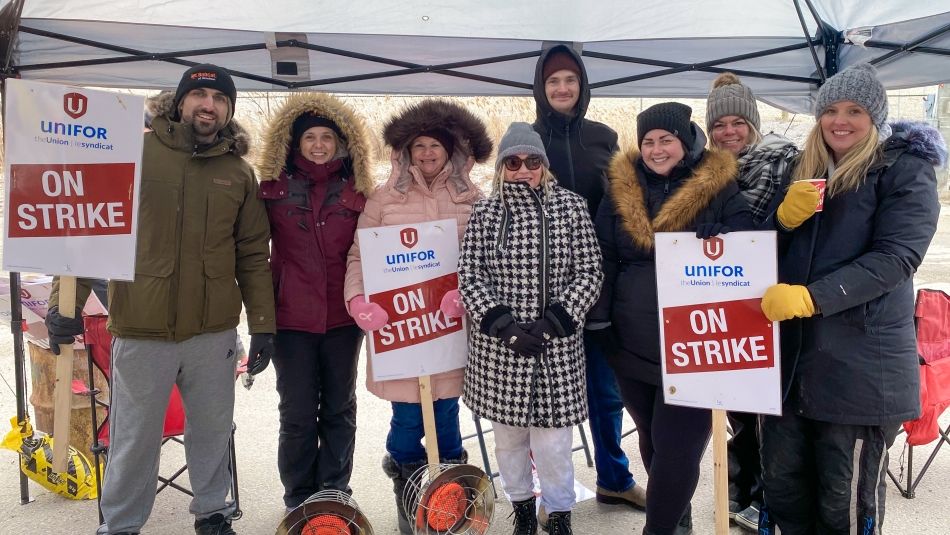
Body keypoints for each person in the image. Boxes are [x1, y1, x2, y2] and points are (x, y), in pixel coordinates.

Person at [46, 64, 276, 535]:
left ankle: (213, 515)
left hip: (212, 333)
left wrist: (263, 325)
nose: (208, 105)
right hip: (141, 328)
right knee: (134, 437)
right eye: (200, 96)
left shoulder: (237, 172)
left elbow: (253, 254)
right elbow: (90, 229)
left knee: (212, 432)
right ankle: (120, 525)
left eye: (219, 99)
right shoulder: (133, 153)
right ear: (180, 102)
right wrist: (63, 305)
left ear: (229, 111)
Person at [759, 63, 943, 535]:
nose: (840, 120)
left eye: (855, 110)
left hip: (860, 372)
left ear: (875, 117)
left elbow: (897, 257)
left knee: (841, 504)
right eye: (831, 110)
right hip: (792, 366)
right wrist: (780, 221)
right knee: (784, 492)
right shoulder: (807, 168)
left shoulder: (904, 168)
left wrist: (811, 298)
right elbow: (766, 252)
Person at [590, 102, 752, 535]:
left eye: (667, 139)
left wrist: (726, 239)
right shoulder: (620, 190)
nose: (657, 149)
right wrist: (601, 322)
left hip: (694, 343)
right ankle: (678, 521)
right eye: (648, 141)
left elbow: (752, 249)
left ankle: (658, 529)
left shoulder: (718, 187)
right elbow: (603, 257)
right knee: (652, 439)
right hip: (632, 339)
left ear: (686, 141)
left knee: (679, 449)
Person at [342, 99, 492, 534]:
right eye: (419, 145)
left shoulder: (472, 198)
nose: (427, 153)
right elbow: (358, 256)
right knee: (407, 417)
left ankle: (447, 494)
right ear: (405, 152)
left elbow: (485, 261)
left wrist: (467, 294)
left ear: (452, 151)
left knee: (446, 413)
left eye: (436, 146)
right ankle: (408, 486)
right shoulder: (384, 199)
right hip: (400, 329)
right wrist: (358, 302)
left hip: (448, 330)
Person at [459, 122, 603, 535]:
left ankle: (559, 514)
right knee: (509, 440)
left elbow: (590, 272)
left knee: (554, 442)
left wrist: (555, 320)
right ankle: (521, 508)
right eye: (514, 162)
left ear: (545, 165)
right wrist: (502, 326)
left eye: (532, 161)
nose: (523, 170)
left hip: (555, 348)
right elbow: (469, 276)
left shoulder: (572, 207)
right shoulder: (485, 213)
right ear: (502, 166)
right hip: (500, 350)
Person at [531, 42, 646, 516]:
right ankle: (545, 488)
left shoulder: (604, 137)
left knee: (605, 390)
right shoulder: (528, 138)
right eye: (553, 80)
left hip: (598, 286)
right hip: (543, 291)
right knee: (543, 393)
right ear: (541, 87)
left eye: (570, 80)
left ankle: (614, 478)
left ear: (582, 86)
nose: (562, 87)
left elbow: (625, 204)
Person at [252, 93, 373, 510]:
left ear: (342, 143)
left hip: (342, 319)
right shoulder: (272, 189)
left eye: (327, 137)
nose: (319, 144)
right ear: (294, 142)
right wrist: (261, 322)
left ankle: (335, 488)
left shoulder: (358, 190)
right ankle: (299, 495)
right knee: (299, 413)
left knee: (339, 407)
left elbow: (371, 249)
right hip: (291, 321)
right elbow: (253, 254)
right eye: (310, 138)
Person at [704, 71, 800, 531]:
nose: (728, 132)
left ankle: (768, 496)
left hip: (774, 299)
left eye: (737, 122)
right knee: (737, 406)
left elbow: (779, 231)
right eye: (719, 125)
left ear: (753, 124)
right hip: (725, 301)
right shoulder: (706, 171)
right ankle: (741, 492)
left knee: (768, 409)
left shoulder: (784, 162)